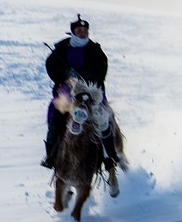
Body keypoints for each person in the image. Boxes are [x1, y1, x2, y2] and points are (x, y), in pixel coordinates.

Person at [42, 15, 124, 174]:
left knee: (102, 116)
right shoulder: (62, 47)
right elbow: (51, 66)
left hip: (91, 90)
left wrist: (86, 76)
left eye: (85, 30)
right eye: (79, 30)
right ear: (73, 32)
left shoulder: (95, 49)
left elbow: (101, 68)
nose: (82, 33)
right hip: (68, 88)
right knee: (57, 112)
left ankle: (111, 155)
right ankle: (51, 154)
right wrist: (65, 76)